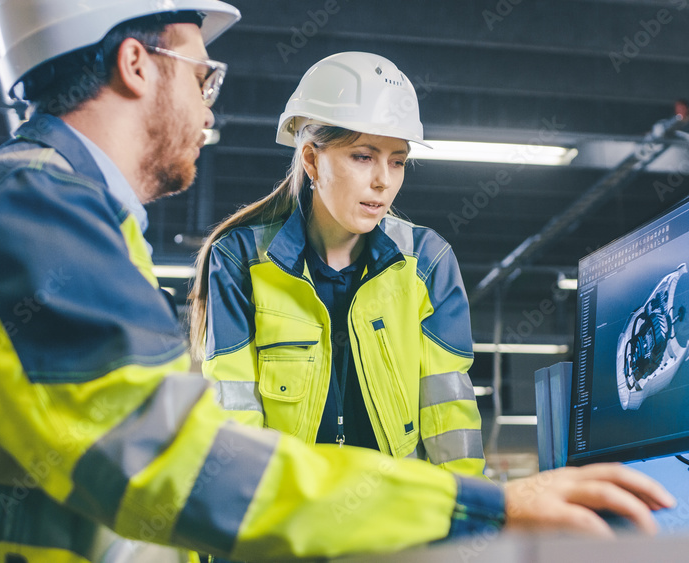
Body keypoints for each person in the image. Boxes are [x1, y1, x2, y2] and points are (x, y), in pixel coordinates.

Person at [0, 1, 675, 562]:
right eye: (204, 76)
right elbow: (176, 463)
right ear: (136, 64)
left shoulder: (56, 208)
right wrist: (488, 510)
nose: (208, 105)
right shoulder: (32, 209)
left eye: (397, 159)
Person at [188, 52, 485, 478]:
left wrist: (472, 522)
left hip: (399, 528)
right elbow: (235, 420)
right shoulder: (239, 264)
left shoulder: (427, 264)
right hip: (286, 526)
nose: (383, 180)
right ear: (311, 160)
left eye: (397, 160)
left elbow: (449, 417)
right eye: (363, 156)